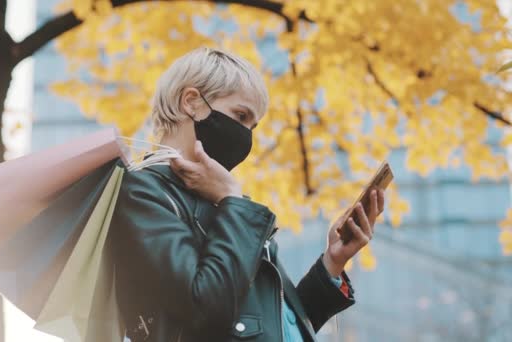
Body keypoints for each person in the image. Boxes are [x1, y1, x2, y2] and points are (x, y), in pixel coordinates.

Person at [111, 47, 385, 342]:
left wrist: (332, 263)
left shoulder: (228, 206)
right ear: (191, 101)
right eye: (240, 116)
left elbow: (270, 322)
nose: (246, 136)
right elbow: (204, 308)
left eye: (253, 125)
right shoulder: (144, 192)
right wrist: (231, 198)